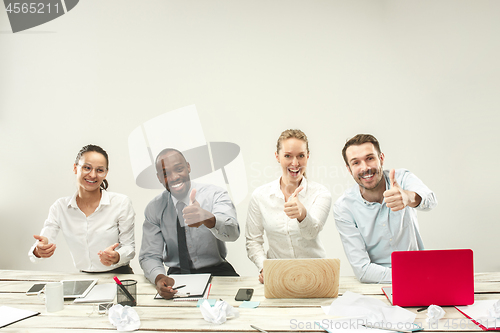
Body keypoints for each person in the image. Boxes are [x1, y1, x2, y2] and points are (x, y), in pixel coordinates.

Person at [333, 134, 437, 283]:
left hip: (419, 276)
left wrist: (408, 197)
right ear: (349, 169)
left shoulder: (402, 179)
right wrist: (410, 276)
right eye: (356, 163)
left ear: (381, 158)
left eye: (370, 158)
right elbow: (362, 270)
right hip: (379, 284)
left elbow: (431, 200)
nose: (365, 168)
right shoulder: (344, 208)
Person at [139, 148, 240, 299]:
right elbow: (149, 255)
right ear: (159, 177)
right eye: (166, 174)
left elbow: (233, 233)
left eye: (179, 169)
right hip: (177, 276)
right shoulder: (154, 208)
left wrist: (208, 218)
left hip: (217, 271)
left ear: (188, 167)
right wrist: (159, 278)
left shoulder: (215, 195)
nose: (173, 177)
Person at [28, 144, 135, 274]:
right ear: (75, 168)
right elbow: (43, 242)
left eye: (100, 170)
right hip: (84, 278)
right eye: (87, 168)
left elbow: (129, 247)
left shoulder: (121, 203)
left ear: (106, 173)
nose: (93, 175)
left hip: (119, 276)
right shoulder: (60, 207)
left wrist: (117, 256)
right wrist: (39, 250)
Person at [246, 129, 332, 283]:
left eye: (301, 156)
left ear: (308, 156)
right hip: (278, 275)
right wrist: (264, 267)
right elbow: (253, 241)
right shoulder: (260, 196)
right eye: (288, 156)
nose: (295, 163)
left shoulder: (321, 193)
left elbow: (311, 233)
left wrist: (302, 214)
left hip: (316, 274)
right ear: (277, 156)